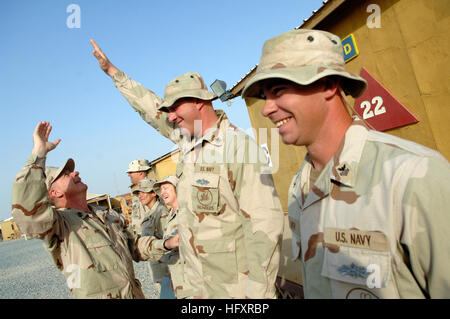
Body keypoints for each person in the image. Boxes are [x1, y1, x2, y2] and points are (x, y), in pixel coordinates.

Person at [241, 28, 450, 299]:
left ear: (328, 84)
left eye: (279, 90)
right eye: (264, 97)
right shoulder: (300, 187)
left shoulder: (412, 176)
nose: (267, 108)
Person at [91, 39, 285, 299]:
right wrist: (114, 73)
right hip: (198, 288)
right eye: (168, 110)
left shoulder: (237, 147)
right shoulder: (187, 141)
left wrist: (258, 296)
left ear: (200, 102)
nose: (170, 116)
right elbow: (149, 108)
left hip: (235, 291)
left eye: (175, 107)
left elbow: (264, 227)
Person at [11, 121, 178, 299]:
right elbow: (27, 209)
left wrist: (167, 243)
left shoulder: (107, 215)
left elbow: (133, 246)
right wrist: (38, 154)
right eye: (66, 175)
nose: (75, 173)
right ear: (54, 192)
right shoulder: (60, 225)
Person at [132, 178, 173, 299]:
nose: (140, 196)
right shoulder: (150, 213)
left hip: (165, 267)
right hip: (156, 265)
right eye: (139, 193)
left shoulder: (161, 212)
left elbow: (169, 242)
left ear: (153, 193)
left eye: (144, 192)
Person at [153, 175, 190, 299]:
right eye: (161, 190)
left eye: (166, 188)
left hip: (190, 280)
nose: (162, 193)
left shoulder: (187, 213)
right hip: (177, 277)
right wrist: (172, 277)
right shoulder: (170, 216)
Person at [126, 159, 153, 235]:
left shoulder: (149, 189)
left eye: (131, 172)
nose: (129, 175)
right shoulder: (139, 191)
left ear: (140, 173)